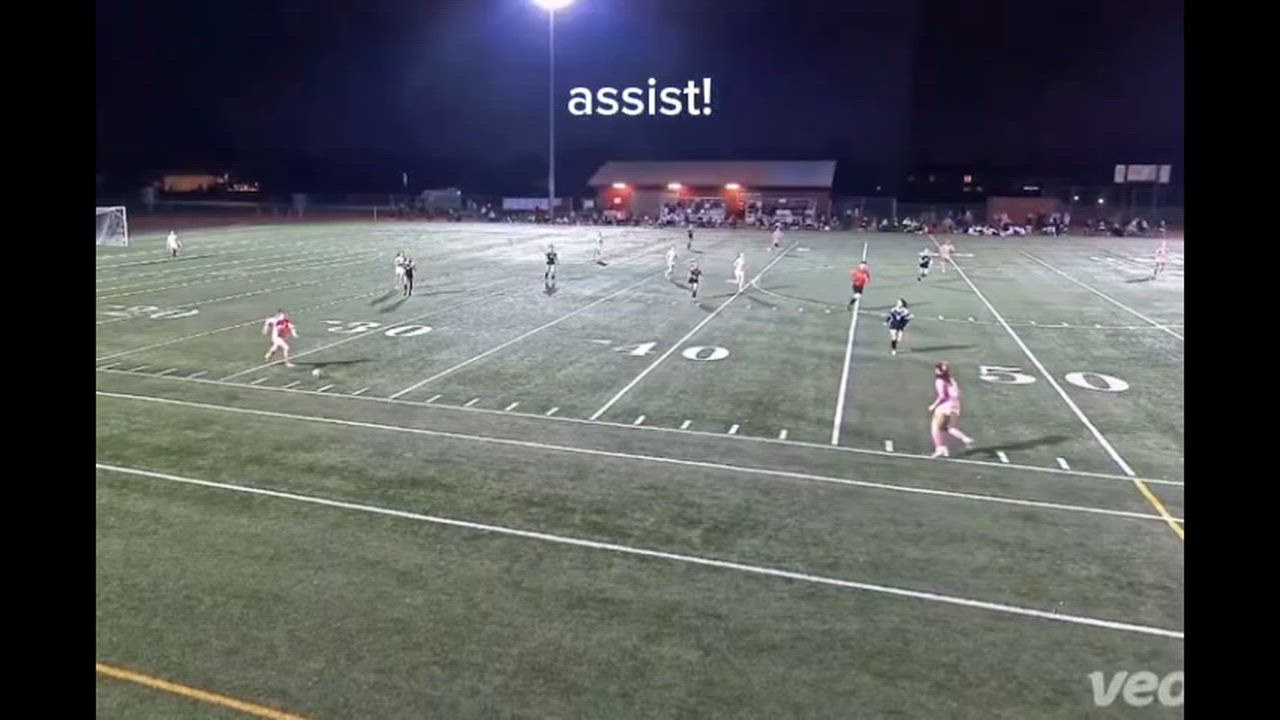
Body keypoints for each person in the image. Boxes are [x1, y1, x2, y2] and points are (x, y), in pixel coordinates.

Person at [928, 361, 974, 458]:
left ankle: (940, 448)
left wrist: (933, 405)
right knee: (946, 427)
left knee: (935, 427)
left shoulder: (939, 381)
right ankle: (965, 438)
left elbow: (942, 396)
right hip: (955, 405)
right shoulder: (951, 379)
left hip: (944, 406)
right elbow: (957, 393)